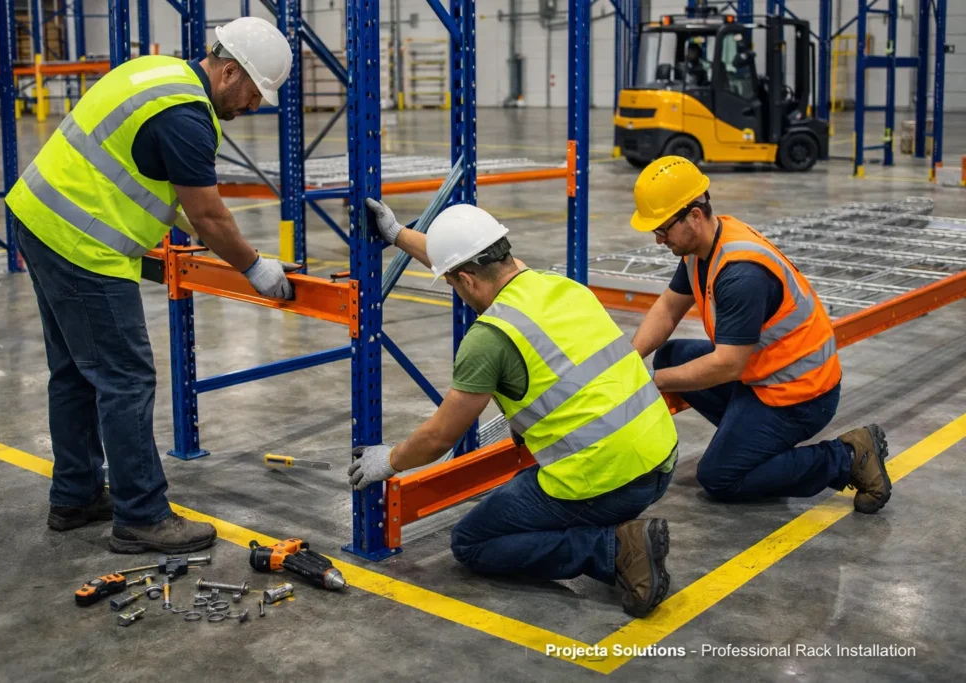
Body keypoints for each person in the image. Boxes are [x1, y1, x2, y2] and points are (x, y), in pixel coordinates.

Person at [5, 16, 296, 553]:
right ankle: (141, 515)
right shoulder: (188, 117)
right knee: (126, 378)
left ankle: (76, 496)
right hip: (81, 245)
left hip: (39, 218)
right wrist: (254, 266)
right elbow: (208, 217)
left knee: (73, 372)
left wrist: (220, 240)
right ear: (230, 72)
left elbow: (161, 186)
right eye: (255, 93)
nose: (254, 107)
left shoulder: (160, 74)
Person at [350, 198, 680, 618]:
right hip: (660, 457)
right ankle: (611, 532)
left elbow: (439, 437)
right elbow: (467, 258)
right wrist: (397, 235)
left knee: (472, 542)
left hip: (610, 478)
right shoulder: (562, 287)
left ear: (466, 281)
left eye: (452, 282)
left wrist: (390, 460)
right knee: (526, 487)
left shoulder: (490, 337)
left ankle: (614, 548)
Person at [627, 156, 892, 513]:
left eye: (662, 229)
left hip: (800, 393)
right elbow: (669, 308)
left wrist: (649, 381)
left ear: (694, 216)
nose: (659, 240)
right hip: (763, 374)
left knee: (720, 477)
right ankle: (753, 442)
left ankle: (847, 457)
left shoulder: (740, 274)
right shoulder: (702, 245)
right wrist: (628, 362)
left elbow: (727, 365)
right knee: (672, 357)